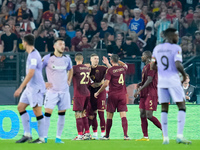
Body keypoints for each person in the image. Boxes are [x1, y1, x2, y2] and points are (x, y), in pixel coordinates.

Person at [151, 28, 191, 144]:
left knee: (164, 108)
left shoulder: (157, 48)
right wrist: (183, 75)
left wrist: (162, 71)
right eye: (176, 35)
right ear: (170, 36)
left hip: (162, 81)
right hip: (173, 80)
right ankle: (179, 135)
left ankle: (166, 138)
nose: (177, 38)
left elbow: (153, 66)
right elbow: (177, 64)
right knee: (182, 105)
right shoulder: (176, 48)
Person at [14, 34, 45, 143]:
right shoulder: (32, 54)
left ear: (25, 42)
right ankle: (27, 134)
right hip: (30, 88)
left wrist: (20, 88)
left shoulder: (33, 56)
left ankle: (42, 138)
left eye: (22, 42)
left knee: (37, 111)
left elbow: (31, 73)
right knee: (21, 107)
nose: (22, 44)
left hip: (36, 88)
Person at [42, 38, 73, 143]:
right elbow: (37, 69)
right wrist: (43, 83)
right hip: (52, 91)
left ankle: (58, 138)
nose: (62, 46)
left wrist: (69, 80)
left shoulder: (67, 58)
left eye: (63, 44)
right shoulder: (48, 58)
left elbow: (70, 69)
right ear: (54, 46)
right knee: (48, 113)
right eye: (60, 44)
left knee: (62, 113)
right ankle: (44, 137)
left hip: (64, 91)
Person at [94, 54, 130, 140]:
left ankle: (107, 135)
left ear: (111, 61)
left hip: (113, 95)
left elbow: (106, 83)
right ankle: (126, 135)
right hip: (122, 95)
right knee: (123, 116)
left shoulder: (109, 70)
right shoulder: (123, 68)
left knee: (109, 116)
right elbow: (124, 65)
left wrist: (98, 92)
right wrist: (115, 59)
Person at [134, 51, 162, 141]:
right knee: (142, 113)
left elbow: (150, 80)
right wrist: (140, 84)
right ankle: (145, 136)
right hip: (144, 93)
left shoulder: (152, 65)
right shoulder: (145, 67)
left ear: (147, 56)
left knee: (149, 115)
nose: (141, 57)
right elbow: (147, 79)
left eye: (143, 55)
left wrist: (139, 90)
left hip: (151, 92)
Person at [88, 53, 107, 139]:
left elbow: (111, 70)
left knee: (101, 113)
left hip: (100, 92)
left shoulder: (102, 68)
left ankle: (103, 133)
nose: (96, 60)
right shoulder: (87, 69)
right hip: (91, 93)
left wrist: (107, 63)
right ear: (91, 60)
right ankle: (94, 133)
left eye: (97, 58)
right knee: (92, 114)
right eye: (95, 58)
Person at [73, 52, 91, 140]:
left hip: (78, 94)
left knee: (78, 114)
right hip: (87, 93)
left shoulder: (74, 68)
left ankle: (80, 135)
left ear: (75, 59)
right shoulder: (87, 68)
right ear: (82, 59)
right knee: (84, 113)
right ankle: (87, 133)